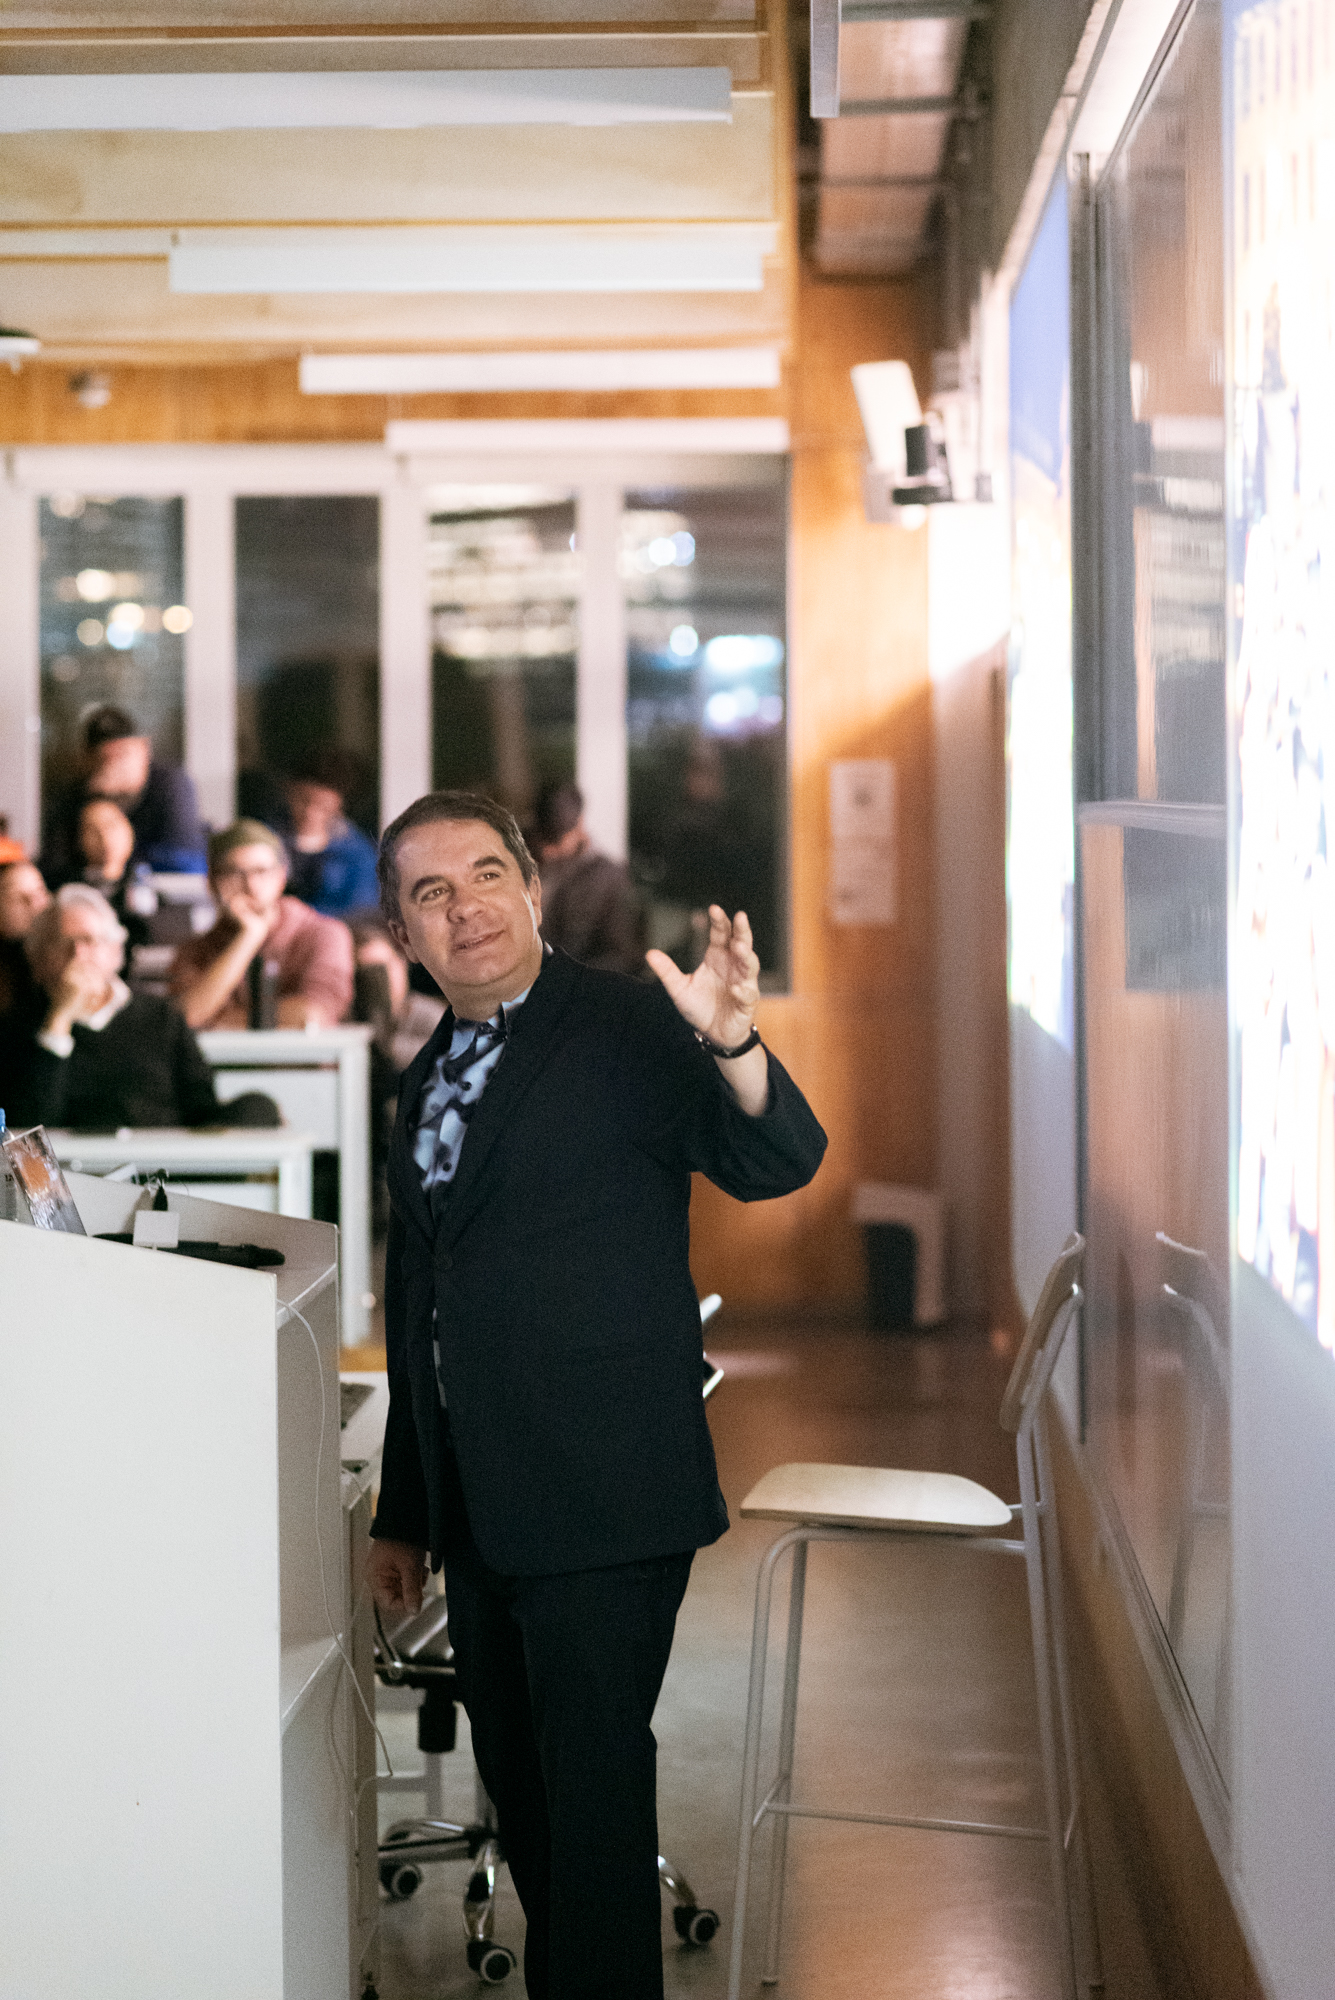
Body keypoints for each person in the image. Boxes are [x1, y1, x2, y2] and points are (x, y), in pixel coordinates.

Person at [364, 791, 826, 2000]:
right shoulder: (424, 1078)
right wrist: (406, 1508)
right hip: (482, 1502)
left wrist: (733, 1042)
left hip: (607, 1482)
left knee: (594, 1796)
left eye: (485, 874)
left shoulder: (627, 1024)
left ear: (532, 885)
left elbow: (778, 1158)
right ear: (403, 933)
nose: (466, 908)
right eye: (430, 892)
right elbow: (421, 1299)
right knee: (529, 1796)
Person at [5, 883, 223, 1131]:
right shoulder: (15, 1026)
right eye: (62, 943)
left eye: (89, 941)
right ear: (38, 958)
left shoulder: (162, 1017)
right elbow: (27, 1130)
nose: (78, 955)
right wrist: (58, 1021)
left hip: (158, 1153)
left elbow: (203, 1112)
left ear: (115, 950)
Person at [169, 820, 354, 1031]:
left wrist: (219, 1020)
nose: (251, 885)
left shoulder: (324, 933)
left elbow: (312, 1014)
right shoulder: (194, 951)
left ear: (282, 876)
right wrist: (249, 937)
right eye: (234, 873)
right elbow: (184, 1018)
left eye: (261, 871)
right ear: (211, 882)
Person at [41, 704, 207, 881]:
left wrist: (117, 863)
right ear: (87, 760)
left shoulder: (170, 785)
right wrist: (96, 801)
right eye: (104, 757)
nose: (114, 765)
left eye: (123, 753)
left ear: (144, 749)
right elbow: (53, 867)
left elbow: (186, 860)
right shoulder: (74, 796)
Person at [532, 779, 644, 975]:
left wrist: (568, 978)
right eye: (543, 841)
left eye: (557, 840)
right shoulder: (531, 865)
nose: (549, 851)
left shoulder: (608, 878)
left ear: (580, 824)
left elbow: (624, 957)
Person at [276, 748, 381, 920]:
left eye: (322, 806)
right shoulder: (266, 842)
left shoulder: (358, 855)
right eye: (303, 800)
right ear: (289, 793)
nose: (310, 813)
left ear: (339, 806)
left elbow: (362, 911)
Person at [63, 796, 158, 949]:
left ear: (129, 830)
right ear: (78, 839)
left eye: (111, 826)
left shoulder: (148, 884)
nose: (104, 837)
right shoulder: (66, 891)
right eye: (92, 830)